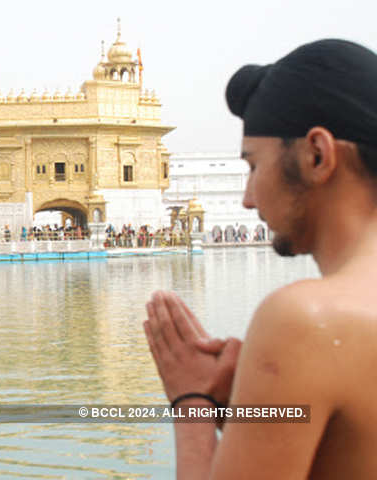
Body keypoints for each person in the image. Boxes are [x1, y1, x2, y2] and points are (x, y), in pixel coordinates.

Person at [144, 39, 377, 479]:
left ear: (317, 155)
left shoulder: (307, 321)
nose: (248, 199)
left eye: (253, 166)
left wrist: (190, 400)